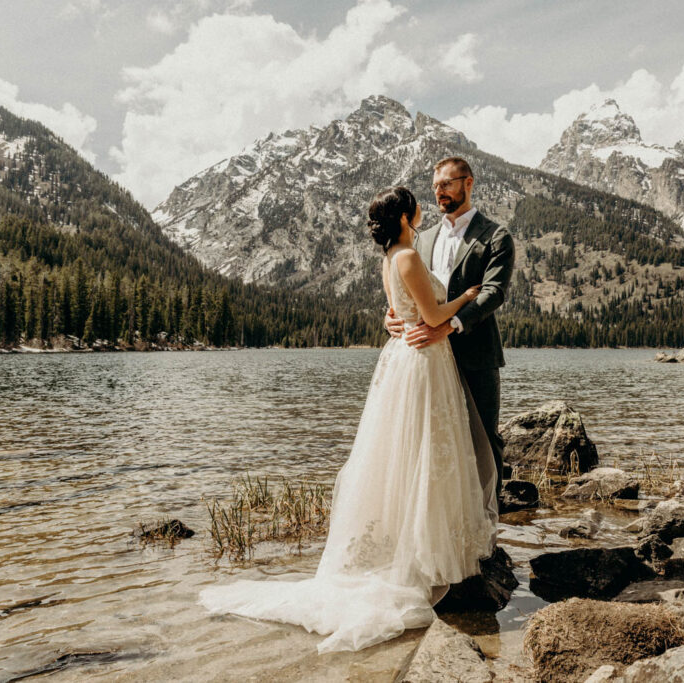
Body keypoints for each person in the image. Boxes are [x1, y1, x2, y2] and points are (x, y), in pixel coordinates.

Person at [199, 186, 499, 654]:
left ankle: (414, 545)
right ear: (404, 216)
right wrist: (466, 297)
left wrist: (405, 319)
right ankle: (424, 556)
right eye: (416, 203)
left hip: (409, 357)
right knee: (424, 453)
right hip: (422, 363)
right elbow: (432, 312)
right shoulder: (407, 258)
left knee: (411, 455)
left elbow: (401, 312)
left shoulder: (392, 257)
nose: (424, 205)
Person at [386, 157, 515, 502]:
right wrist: (392, 316)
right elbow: (408, 284)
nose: (439, 192)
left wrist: (450, 326)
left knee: (484, 441)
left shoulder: (495, 236)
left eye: (446, 184)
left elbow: (493, 292)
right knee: (430, 441)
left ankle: (487, 533)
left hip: (477, 354)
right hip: (427, 358)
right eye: (435, 187)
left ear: (468, 183)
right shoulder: (421, 239)